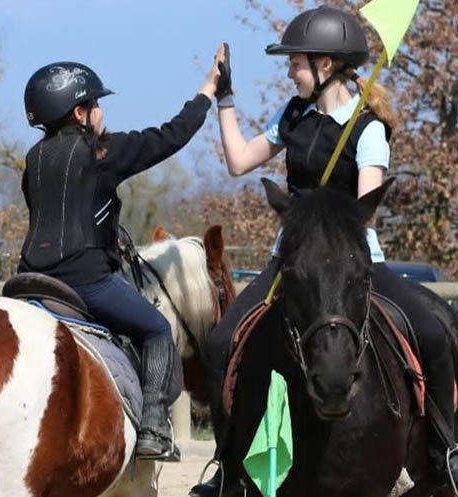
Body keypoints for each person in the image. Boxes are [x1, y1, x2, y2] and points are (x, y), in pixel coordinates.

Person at [191, 6, 458, 496]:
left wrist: (325, 214)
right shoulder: (293, 115)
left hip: (356, 259)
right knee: (219, 342)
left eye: (295, 62)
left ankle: (445, 459)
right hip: (290, 259)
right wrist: (225, 99)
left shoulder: (369, 128)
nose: (290, 71)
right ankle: (228, 467)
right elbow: (238, 162)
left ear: (326, 65)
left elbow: (364, 210)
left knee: (434, 334)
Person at [18, 54, 227, 459]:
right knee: (156, 330)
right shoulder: (103, 153)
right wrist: (207, 92)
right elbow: (172, 135)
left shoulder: (32, 161)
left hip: (28, 279)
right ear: (80, 112)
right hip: (86, 280)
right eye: (96, 104)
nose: (101, 112)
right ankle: (152, 427)